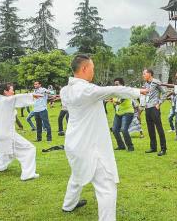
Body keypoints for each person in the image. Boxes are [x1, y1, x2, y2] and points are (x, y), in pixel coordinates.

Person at [60, 55, 147, 220]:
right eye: (92, 68)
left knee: (77, 175)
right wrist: (137, 91)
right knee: (106, 185)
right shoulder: (85, 90)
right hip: (88, 146)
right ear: (85, 69)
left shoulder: (65, 90)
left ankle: (68, 204)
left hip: (73, 144)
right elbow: (112, 90)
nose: (93, 72)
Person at [0, 83, 40, 181]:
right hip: (7, 134)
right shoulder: (8, 100)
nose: (13, 92)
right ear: (5, 91)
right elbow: (17, 98)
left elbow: (13, 98)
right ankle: (28, 174)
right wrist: (32, 96)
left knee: (7, 151)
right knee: (29, 149)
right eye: (12, 90)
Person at [142, 69, 167, 156]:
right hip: (147, 108)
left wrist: (159, 103)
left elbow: (165, 93)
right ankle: (153, 147)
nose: (143, 75)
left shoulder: (156, 82)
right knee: (150, 128)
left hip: (154, 108)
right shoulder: (146, 84)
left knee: (159, 128)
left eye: (144, 74)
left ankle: (163, 149)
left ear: (149, 74)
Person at [111, 78, 136, 152]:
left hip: (127, 112)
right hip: (118, 113)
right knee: (115, 129)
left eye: (117, 84)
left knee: (123, 129)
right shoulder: (115, 93)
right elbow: (115, 102)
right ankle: (121, 146)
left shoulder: (125, 92)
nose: (115, 86)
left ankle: (130, 147)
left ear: (122, 84)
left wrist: (113, 100)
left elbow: (119, 102)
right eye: (115, 84)